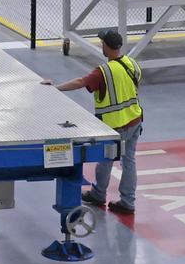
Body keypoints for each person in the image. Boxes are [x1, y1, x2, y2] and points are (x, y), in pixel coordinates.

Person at [46, 29, 142, 215]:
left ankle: (98, 195)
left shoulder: (104, 72)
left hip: (115, 126)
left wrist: (55, 89)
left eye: (102, 43)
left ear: (106, 46)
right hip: (135, 120)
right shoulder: (133, 64)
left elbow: (80, 82)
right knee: (129, 161)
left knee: (105, 160)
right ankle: (128, 202)